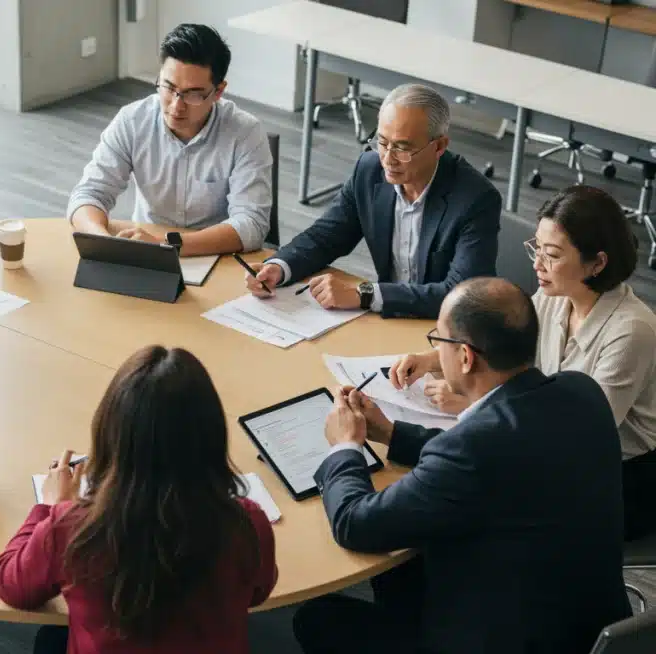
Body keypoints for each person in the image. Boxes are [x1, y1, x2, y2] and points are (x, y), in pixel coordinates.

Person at [295, 277, 630, 654]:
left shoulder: (470, 449)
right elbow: (504, 452)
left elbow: (354, 524)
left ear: (466, 357)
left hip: (506, 641)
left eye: (438, 340)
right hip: (590, 627)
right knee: (403, 568)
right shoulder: (581, 390)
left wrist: (345, 446)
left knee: (317, 618)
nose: (435, 349)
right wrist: (391, 433)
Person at [391, 185, 656, 540]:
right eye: (537, 249)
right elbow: (503, 349)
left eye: (552, 255)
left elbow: (582, 436)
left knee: (467, 499)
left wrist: (475, 404)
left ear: (597, 263)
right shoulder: (556, 296)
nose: (537, 265)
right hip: (549, 447)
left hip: (612, 480)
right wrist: (431, 358)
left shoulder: (632, 331)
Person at [0, 346, 277, 654]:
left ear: (109, 434)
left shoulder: (73, 527)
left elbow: (10, 586)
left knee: (49, 639)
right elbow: (257, 594)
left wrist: (48, 508)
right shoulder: (247, 523)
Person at [245, 84, 501, 319]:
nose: (388, 159)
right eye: (382, 142)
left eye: (402, 148)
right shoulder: (369, 169)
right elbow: (326, 236)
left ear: (439, 146)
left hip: (441, 327)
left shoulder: (476, 198)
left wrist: (364, 295)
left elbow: (462, 296)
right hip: (387, 315)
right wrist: (279, 267)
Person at [67, 24, 274, 256]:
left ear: (218, 92)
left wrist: (166, 244)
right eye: (168, 87)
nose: (176, 106)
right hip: (146, 250)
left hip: (215, 254)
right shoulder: (132, 120)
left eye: (193, 94)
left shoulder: (245, 133)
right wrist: (101, 240)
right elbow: (89, 194)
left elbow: (252, 224)